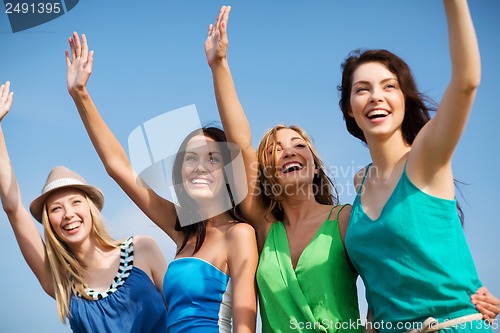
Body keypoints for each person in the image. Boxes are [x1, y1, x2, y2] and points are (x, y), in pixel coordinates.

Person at [204, 5, 500, 333]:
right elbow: (241, 144)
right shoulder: (349, 191)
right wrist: (219, 65)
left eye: (389, 86)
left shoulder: (354, 212)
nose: (289, 151)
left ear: (315, 166)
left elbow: (466, 82)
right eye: (275, 149)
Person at [65, 32, 258, 333]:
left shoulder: (240, 234)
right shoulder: (181, 229)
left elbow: (244, 326)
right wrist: (81, 94)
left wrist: (218, 64)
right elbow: (118, 168)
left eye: (212, 159)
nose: (199, 167)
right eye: (190, 159)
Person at [338, 0, 499, 332]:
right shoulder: (360, 181)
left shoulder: (426, 156)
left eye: (388, 86)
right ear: (350, 109)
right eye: (362, 89)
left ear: (403, 99)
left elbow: (466, 82)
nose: (375, 97)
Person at [0, 81, 168, 332]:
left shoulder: (142, 248)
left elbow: (181, 315)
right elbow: (13, 208)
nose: (68, 214)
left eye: (76, 202)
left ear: (91, 209)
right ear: (49, 222)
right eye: (56, 209)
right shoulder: (59, 280)